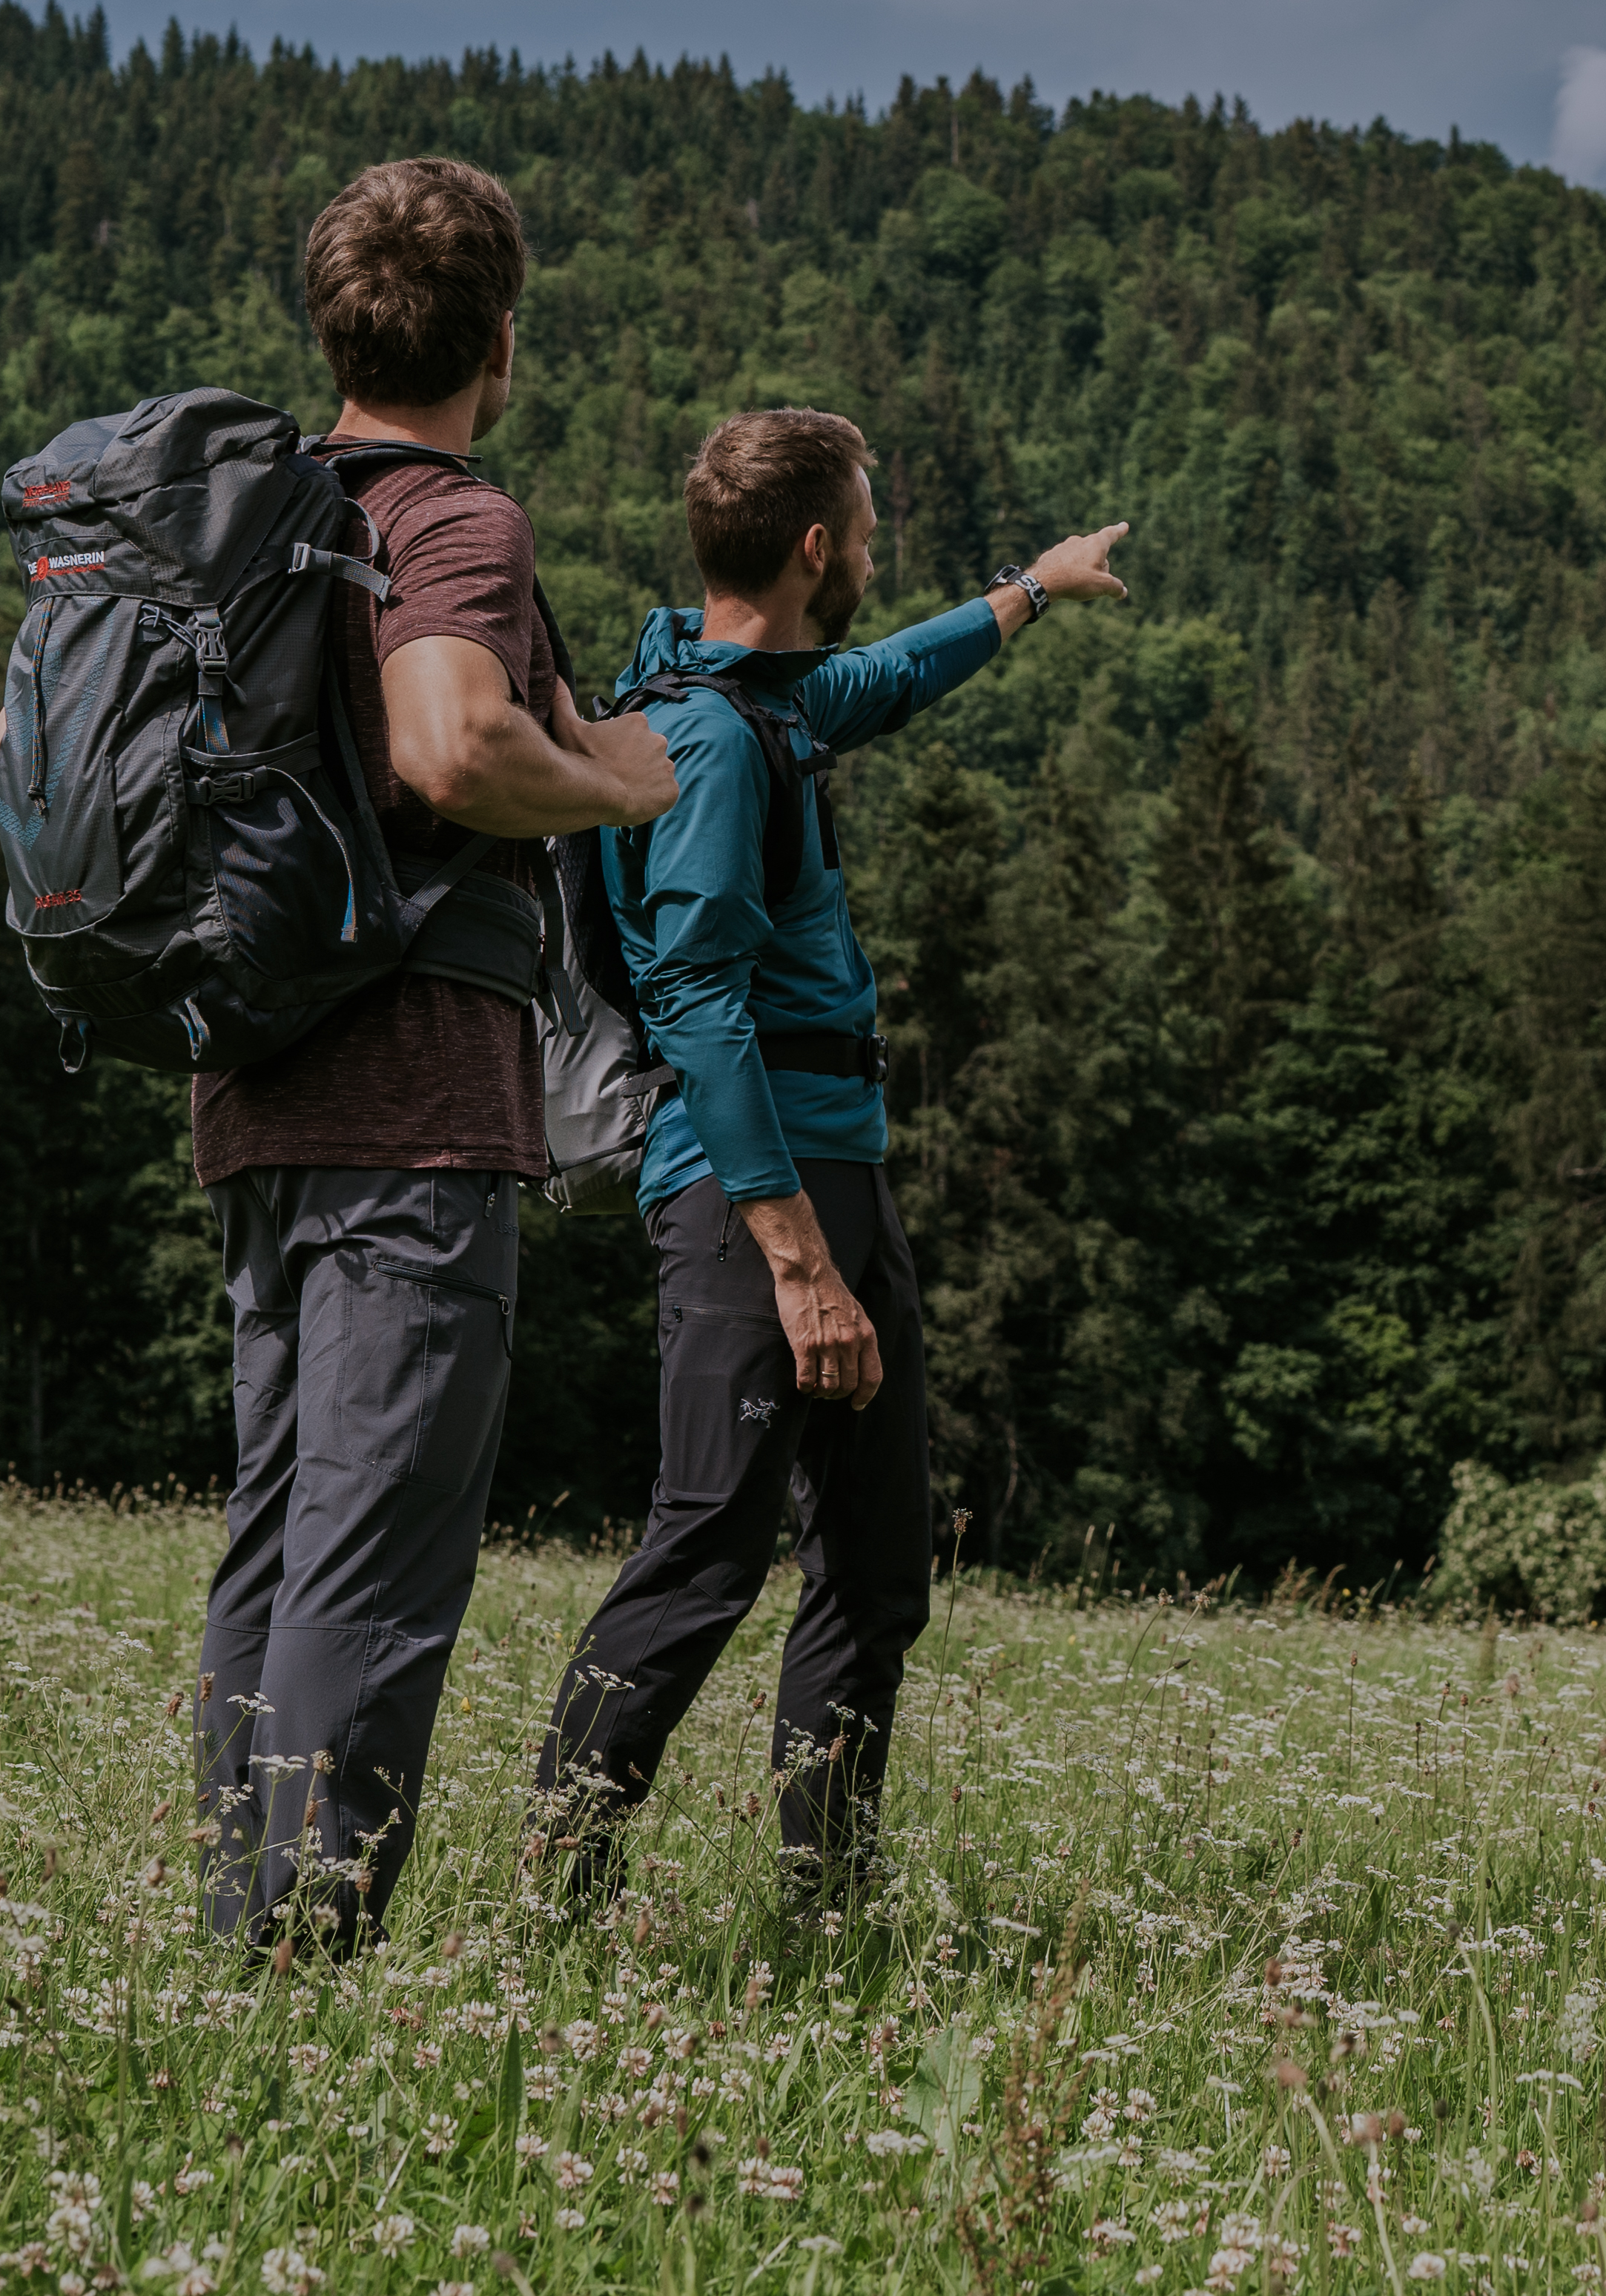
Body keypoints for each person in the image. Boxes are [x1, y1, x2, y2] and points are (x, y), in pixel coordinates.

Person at [529, 407, 1127, 1906]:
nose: (872, 553)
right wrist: (796, 1261)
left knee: (874, 1565)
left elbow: (888, 674)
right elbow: (696, 998)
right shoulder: (713, 742)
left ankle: (831, 1901)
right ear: (815, 548)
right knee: (708, 1551)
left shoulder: (760, 701)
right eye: (864, 530)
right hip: (755, 1194)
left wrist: (1034, 588)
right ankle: (555, 1886)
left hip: (835, 1175)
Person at [179, 157, 678, 1953]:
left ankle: (240, 1930)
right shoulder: (451, 518)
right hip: (416, 1114)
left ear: (333, 329)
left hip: (256, 1091)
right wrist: (616, 782)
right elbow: (451, 746)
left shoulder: (239, 522)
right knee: (374, 1555)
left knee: (278, 1537)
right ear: (501, 339)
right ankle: (299, 1957)